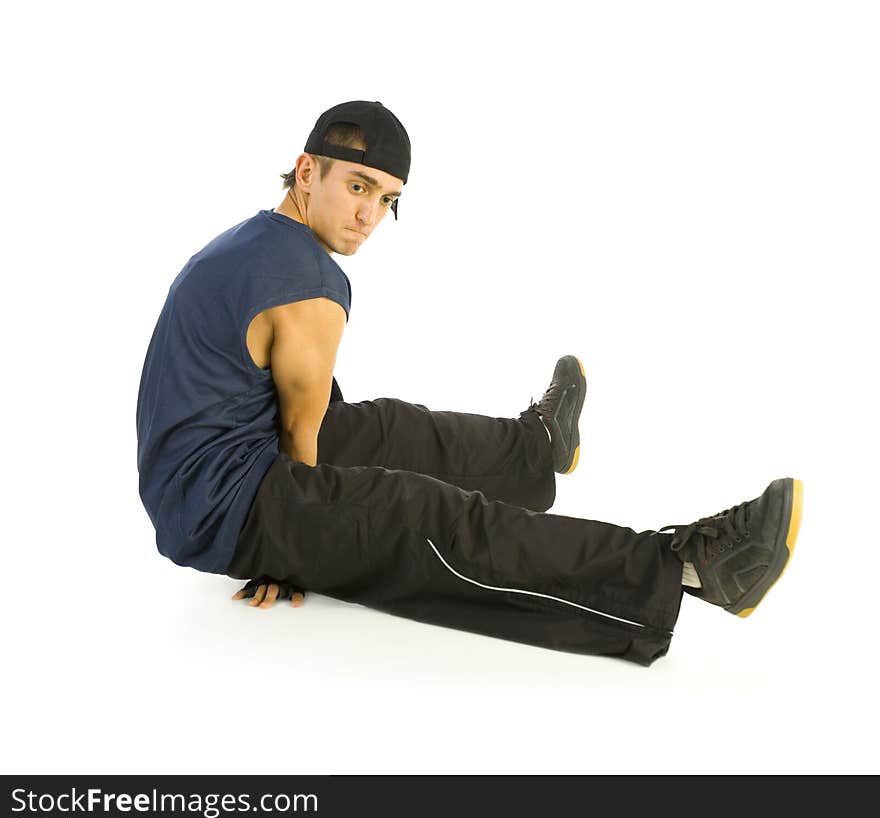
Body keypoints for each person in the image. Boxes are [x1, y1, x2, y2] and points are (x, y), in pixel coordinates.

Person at [135, 100, 804, 667]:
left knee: (391, 428)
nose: (370, 216)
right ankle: (677, 566)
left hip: (225, 460)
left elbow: (295, 415)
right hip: (220, 504)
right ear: (309, 171)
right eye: (359, 187)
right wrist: (292, 543)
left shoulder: (264, 242)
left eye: (388, 200)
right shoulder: (308, 281)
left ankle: (531, 448)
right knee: (420, 516)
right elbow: (298, 433)